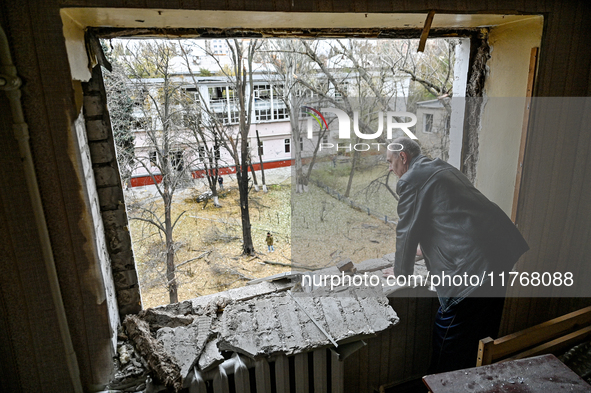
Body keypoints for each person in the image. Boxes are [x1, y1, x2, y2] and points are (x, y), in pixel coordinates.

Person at [385, 137, 529, 374]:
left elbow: (406, 231)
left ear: (403, 157)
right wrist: (424, 251)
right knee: (483, 335)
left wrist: (401, 273)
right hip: (501, 251)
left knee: (448, 335)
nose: (390, 168)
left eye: (390, 162)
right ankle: (476, 382)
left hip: (474, 266)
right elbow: (451, 215)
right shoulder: (440, 167)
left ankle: (440, 386)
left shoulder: (410, 180)